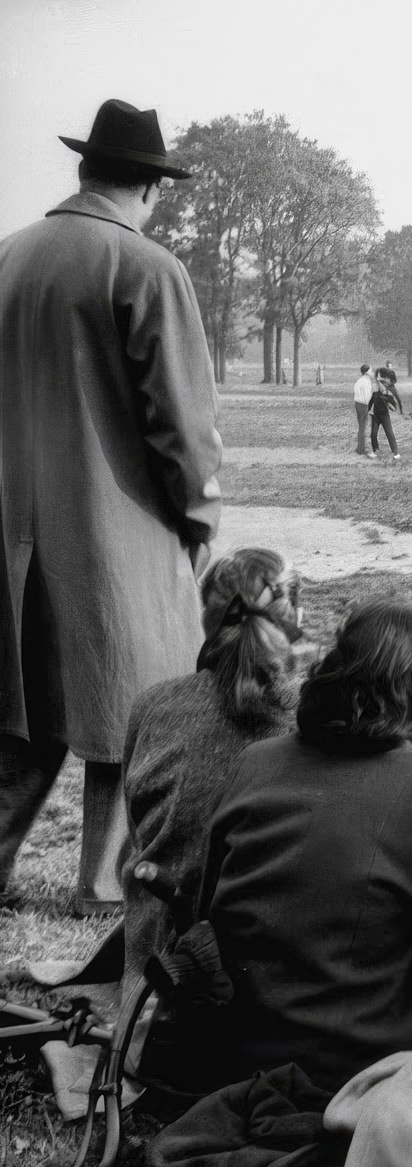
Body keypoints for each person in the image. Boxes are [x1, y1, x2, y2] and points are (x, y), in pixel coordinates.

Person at [0, 99, 222, 915]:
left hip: (13, 526)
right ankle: (102, 882)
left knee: (22, 709)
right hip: (113, 526)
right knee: (132, 700)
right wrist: (200, 516)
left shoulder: (10, 254)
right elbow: (182, 421)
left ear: (86, 171)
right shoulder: (146, 266)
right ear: (151, 190)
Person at [189, 598, 412, 1093]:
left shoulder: (256, 761)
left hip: (232, 1050)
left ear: (332, 675)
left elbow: (206, 910)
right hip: (361, 1071)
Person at [121, 549, 302, 992]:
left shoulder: (154, 705)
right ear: (298, 614)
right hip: (274, 988)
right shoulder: (311, 718)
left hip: (152, 978)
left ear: (206, 618)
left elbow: (138, 835)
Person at [369, 367, 402, 460]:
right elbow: (371, 399)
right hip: (375, 414)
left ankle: (395, 452)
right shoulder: (377, 387)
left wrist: (386, 396)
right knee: (373, 433)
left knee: (389, 433)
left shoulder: (390, 389)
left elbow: (394, 403)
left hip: (384, 415)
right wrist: (368, 410)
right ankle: (375, 450)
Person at [353, 364, 376, 458]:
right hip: (364, 405)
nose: (372, 372)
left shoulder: (359, 380)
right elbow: (367, 397)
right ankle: (367, 450)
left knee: (361, 427)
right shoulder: (366, 382)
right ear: (366, 372)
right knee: (366, 428)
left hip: (358, 404)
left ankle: (360, 448)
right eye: (371, 371)